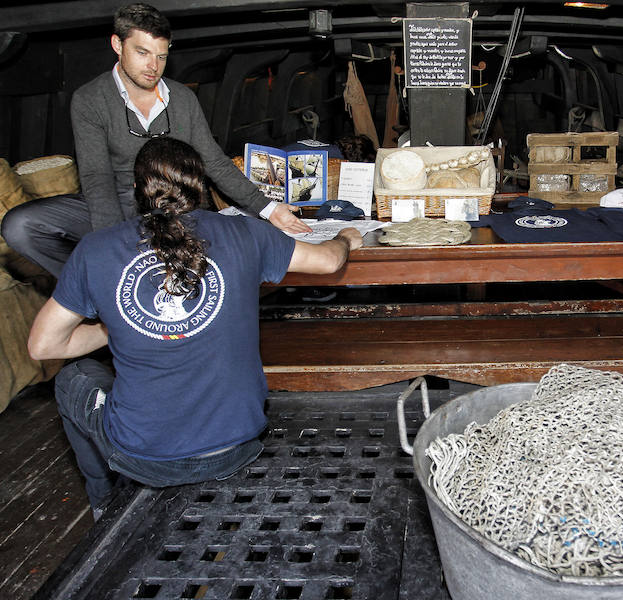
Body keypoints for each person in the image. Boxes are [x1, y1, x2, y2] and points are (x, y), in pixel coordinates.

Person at [27, 137, 362, 518]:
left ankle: (105, 503)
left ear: (137, 190)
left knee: (73, 378)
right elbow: (329, 262)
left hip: (147, 456)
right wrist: (346, 237)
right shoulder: (246, 234)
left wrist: (114, 328)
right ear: (201, 187)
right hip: (237, 445)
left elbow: (43, 347)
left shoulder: (95, 249)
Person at [1, 3, 310, 278]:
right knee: (21, 226)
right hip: (119, 200)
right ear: (117, 45)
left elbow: (213, 161)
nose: (153, 66)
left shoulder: (182, 99)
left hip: (175, 201)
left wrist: (269, 209)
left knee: (238, 241)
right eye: (142, 52)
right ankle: (92, 285)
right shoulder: (90, 99)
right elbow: (97, 178)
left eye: (161, 56)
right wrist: (114, 249)